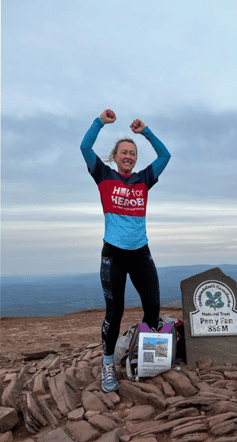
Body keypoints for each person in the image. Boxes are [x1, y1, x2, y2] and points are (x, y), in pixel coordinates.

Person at [80, 108, 171, 392]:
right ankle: (108, 364)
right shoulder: (103, 175)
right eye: (124, 152)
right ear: (116, 156)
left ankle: (144, 351)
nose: (129, 156)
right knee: (114, 312)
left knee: (153, 306)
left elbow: (165, 156)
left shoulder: (144, 179)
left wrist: (145, 132)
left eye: (132, 153)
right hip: (114, 255)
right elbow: (84, 147)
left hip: (140, 252)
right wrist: (100, 123)